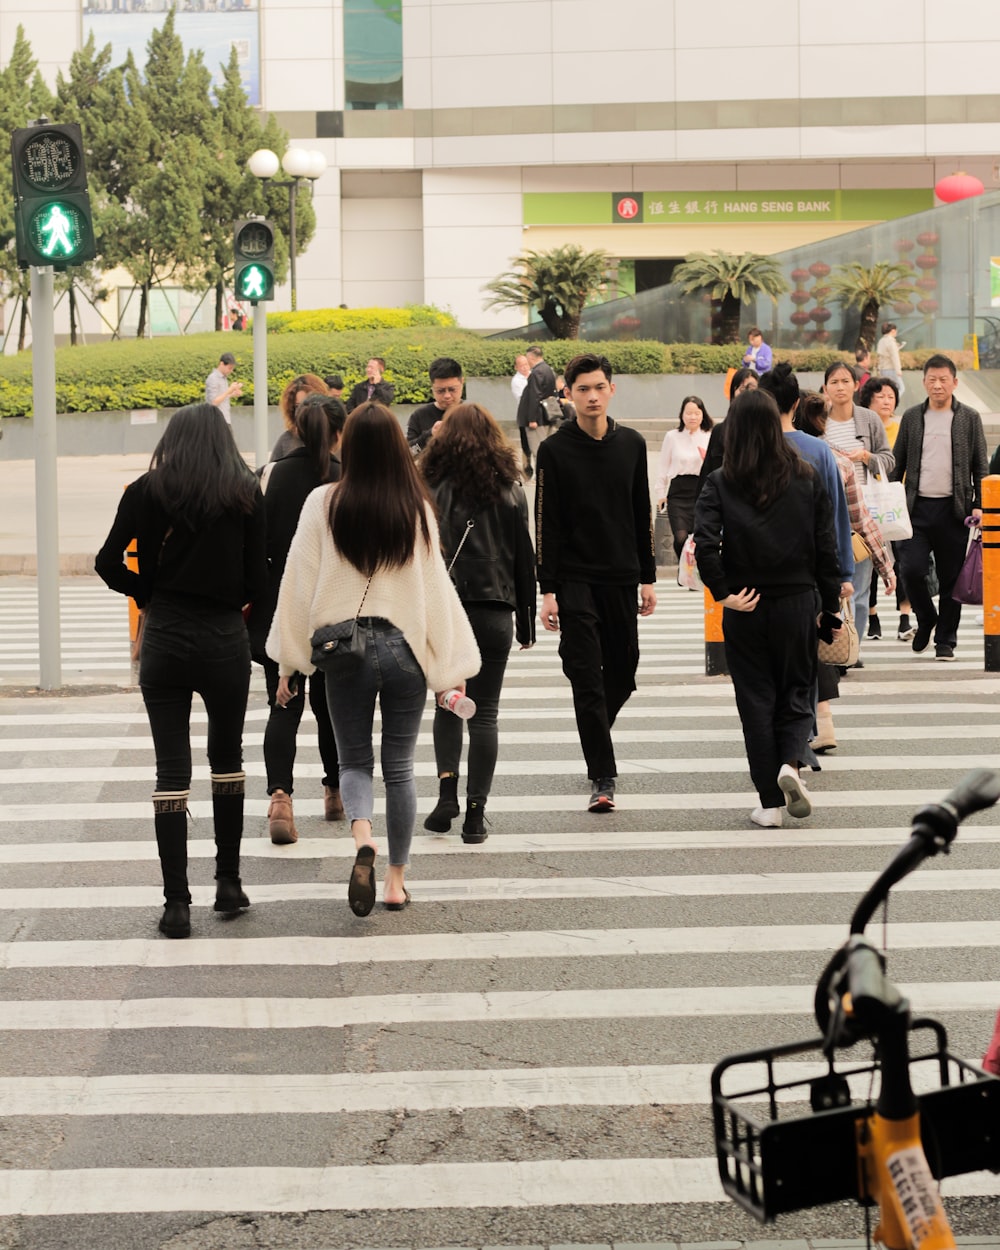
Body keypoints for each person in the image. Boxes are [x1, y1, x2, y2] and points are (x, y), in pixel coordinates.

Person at [267, 402, 480, 915]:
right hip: (404, 649)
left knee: (355, 760)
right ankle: (395, 881)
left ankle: (363, 836)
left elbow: (298, 585)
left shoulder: (322, 503)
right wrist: (449, 666)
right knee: (400, 768)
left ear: (349, 447)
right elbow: (434, 591)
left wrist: (289, 663)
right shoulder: (417, 507)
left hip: (345, 652)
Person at [95, 404, 266, 938]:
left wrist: (149, 594)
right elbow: (260, 578)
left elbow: (106, 561)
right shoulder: (244, 492)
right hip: (222, 639)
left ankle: (176, 904)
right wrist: (238, 604)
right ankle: (229, 883)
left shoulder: (144, 492)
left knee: (171, 773)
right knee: (227, 760)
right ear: (222, 439)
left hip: (165, 638)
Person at [693, 388, 842, 828]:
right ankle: (791, 767)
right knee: (798, 691)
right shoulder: (805, 475)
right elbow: (825, 547)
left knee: (755, 699)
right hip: (798, 601)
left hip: (747, 605)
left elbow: (704, 543)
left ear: (735, 429)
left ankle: (769, 805)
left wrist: (722, 592)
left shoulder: (721, 480)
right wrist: (829, 605)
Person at [535, 352, 656, 813]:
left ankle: (595, 727)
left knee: (623, 673)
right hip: (574, 579)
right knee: (586, 675)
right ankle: (602, 776)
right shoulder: (554, 450)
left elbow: (640, 512)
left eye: (598, 387)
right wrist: (548, 589)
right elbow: (544, 522)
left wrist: (647, 577)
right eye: (582, 388)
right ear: (568, 393)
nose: (591, 395)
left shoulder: (630, 444)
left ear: (611, 389)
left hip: (622, 575)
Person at [419, 402, 536, 841]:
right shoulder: (510, 489)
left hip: (449, 611)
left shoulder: (429, 487)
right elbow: (524, 561)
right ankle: (474, 813)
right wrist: (525, 620)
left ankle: (446, 791)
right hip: (494, 612)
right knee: (485, 713)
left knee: (448, 704)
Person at [247, 393, 347, 844]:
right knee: (331, 707)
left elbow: (254, 546)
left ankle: (281, 799)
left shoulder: (271, 476)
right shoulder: (348, 479)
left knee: (282, 704)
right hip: (333, 608)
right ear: (339, 432)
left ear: (297, 430)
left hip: (280, 606)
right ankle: (334, 790)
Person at [794, 391, 896, 752]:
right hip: (828, 570)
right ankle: (822, 724)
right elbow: (859, 518)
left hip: (787, 571)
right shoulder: (837, 460)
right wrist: (885, 565)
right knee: (818, 641)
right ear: (821, 422)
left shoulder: (775, 457)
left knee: (793, 648)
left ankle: (802, 729)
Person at [890, 354, 989, 660]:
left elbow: (980, 466)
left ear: (954, 382)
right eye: (931, 379)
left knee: (951, 578)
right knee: (911, 569)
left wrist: (979, 505)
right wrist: (889, 503)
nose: (937, 385)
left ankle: (945, 639)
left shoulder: (969, 418)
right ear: (923, 383)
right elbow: (897, 464)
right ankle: (926, 617)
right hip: (915, 510)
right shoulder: (911, 418)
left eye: (943, 379)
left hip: (954, 510)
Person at [821, 359, 894, 661]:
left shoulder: (869, 419)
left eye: (845, 381)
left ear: (855, 385)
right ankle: (830, 646)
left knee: (861, 590)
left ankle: (853, 648)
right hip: (825, 515)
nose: (840, 387)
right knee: (831, 589)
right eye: (834, 382)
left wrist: (866, 457)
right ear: (825, 388)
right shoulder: (816, 420)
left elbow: (889, 459)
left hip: (862, 516)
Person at [859, 374, 914, 642]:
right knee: (867, 560)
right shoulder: (863, 428)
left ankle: (905, 617)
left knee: (903, 561)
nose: (886, 401)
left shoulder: (902, 427)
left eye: (891, 396)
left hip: (896, 503)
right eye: (880, 396)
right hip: (867, 502)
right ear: (868, 400)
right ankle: (872, 617)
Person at [654, 396, 713, 558]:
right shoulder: (672, 436)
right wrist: (661, 493)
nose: (692, 417)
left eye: (696, 413)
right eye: (688, 413)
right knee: (680, 538)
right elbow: (663, 465)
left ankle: (693, 575)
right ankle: (683, 565)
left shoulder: (709, 436)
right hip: (678, 493)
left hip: (701, 491)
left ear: (703, 415)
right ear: (682, 415)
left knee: (699, 538)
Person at [406, 356, 464, 455]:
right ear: (432, 388)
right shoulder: (419, 416)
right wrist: (430, 435)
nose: (447, 396)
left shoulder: (474, 414)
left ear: (462, 382)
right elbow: (409, 453)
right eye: (440, 391)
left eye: (452, 389)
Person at [517, 345, 557, 479]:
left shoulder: (537, 372)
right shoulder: (548, 369)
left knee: (537, 448)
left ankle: (541, 475)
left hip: (538, 417)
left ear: (531, 357)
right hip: (546, 415)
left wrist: (532, 418)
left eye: (527, 357)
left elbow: (534, 396)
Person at [270, 373, 329, 462]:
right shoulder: (286, 441)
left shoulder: (335, 439)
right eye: (298, 406)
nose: (303, 411)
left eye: (309, 405)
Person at [204, 352, 242, 425]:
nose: (231, 371)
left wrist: (232, 394)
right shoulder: (213, 378)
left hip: (225, 419)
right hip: (216, 421)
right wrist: (229, 390)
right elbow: (213, 402)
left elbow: (221, 397)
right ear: (221, 364)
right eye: (229, 368)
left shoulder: (223, 378)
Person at [876, 321, 904, 399]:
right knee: (901, 388)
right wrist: (898, 370)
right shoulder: (891, 342)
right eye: (896, 331)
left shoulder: (881, 341)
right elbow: (894, 357)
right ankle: (893, 403)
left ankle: (887, 404)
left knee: (886, 390)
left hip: (883, 369)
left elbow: (881, 355)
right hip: (891, 369)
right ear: (893, 331)